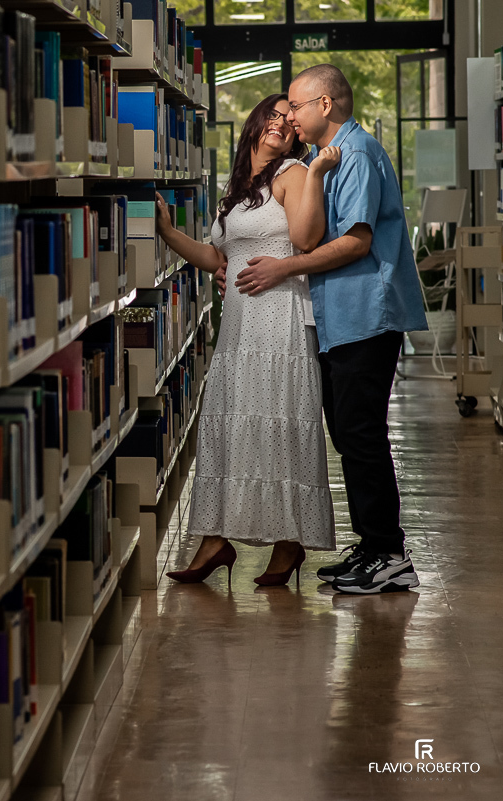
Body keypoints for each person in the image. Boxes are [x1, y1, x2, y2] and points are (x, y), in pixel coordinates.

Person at [236, 64, 429, 594]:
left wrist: (282, 268)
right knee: (349, 432)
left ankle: (389, 553)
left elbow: (355, 242)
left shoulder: (358, 154)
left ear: (325, 105)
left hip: (368, 313)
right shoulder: (329, 158)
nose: (290, 117)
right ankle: (371, 546)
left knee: (361, 433)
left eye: (295, 107)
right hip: (345, 316)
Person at [156, 93, 339, 588]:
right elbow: (217, 259)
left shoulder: (293, 174)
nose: (281, 122)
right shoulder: (235, 191)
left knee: (279, 423)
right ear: (254, 124)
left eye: (288, 118)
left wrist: (317, 173)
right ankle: (216, 539)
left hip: (280, 321)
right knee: (231, 427)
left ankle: (289, 540)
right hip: (237, 327)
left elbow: (305, 239)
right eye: (272, 115)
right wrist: (169, 234)